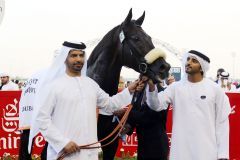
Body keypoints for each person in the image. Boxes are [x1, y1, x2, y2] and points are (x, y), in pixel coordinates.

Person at [32, 41, 144, 160]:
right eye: (73, 55)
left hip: (89, 154)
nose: (78, 59)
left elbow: (110, 105)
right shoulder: (53, 86)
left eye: (81, 55)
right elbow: (42, 119)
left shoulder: (91, 85)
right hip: (64, 154)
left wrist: (129, 90)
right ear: (65, 58)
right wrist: (62, 143)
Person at [147, 50, 231, 160]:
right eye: (188, 59)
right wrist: (151, 86)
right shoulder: (175, 88)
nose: (188, 62)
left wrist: (223, 154)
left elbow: (222, 122)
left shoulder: (215, 89)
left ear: (202, 67)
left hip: (206, 151)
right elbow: (156, 105)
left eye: (194, 61)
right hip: (180, 151)